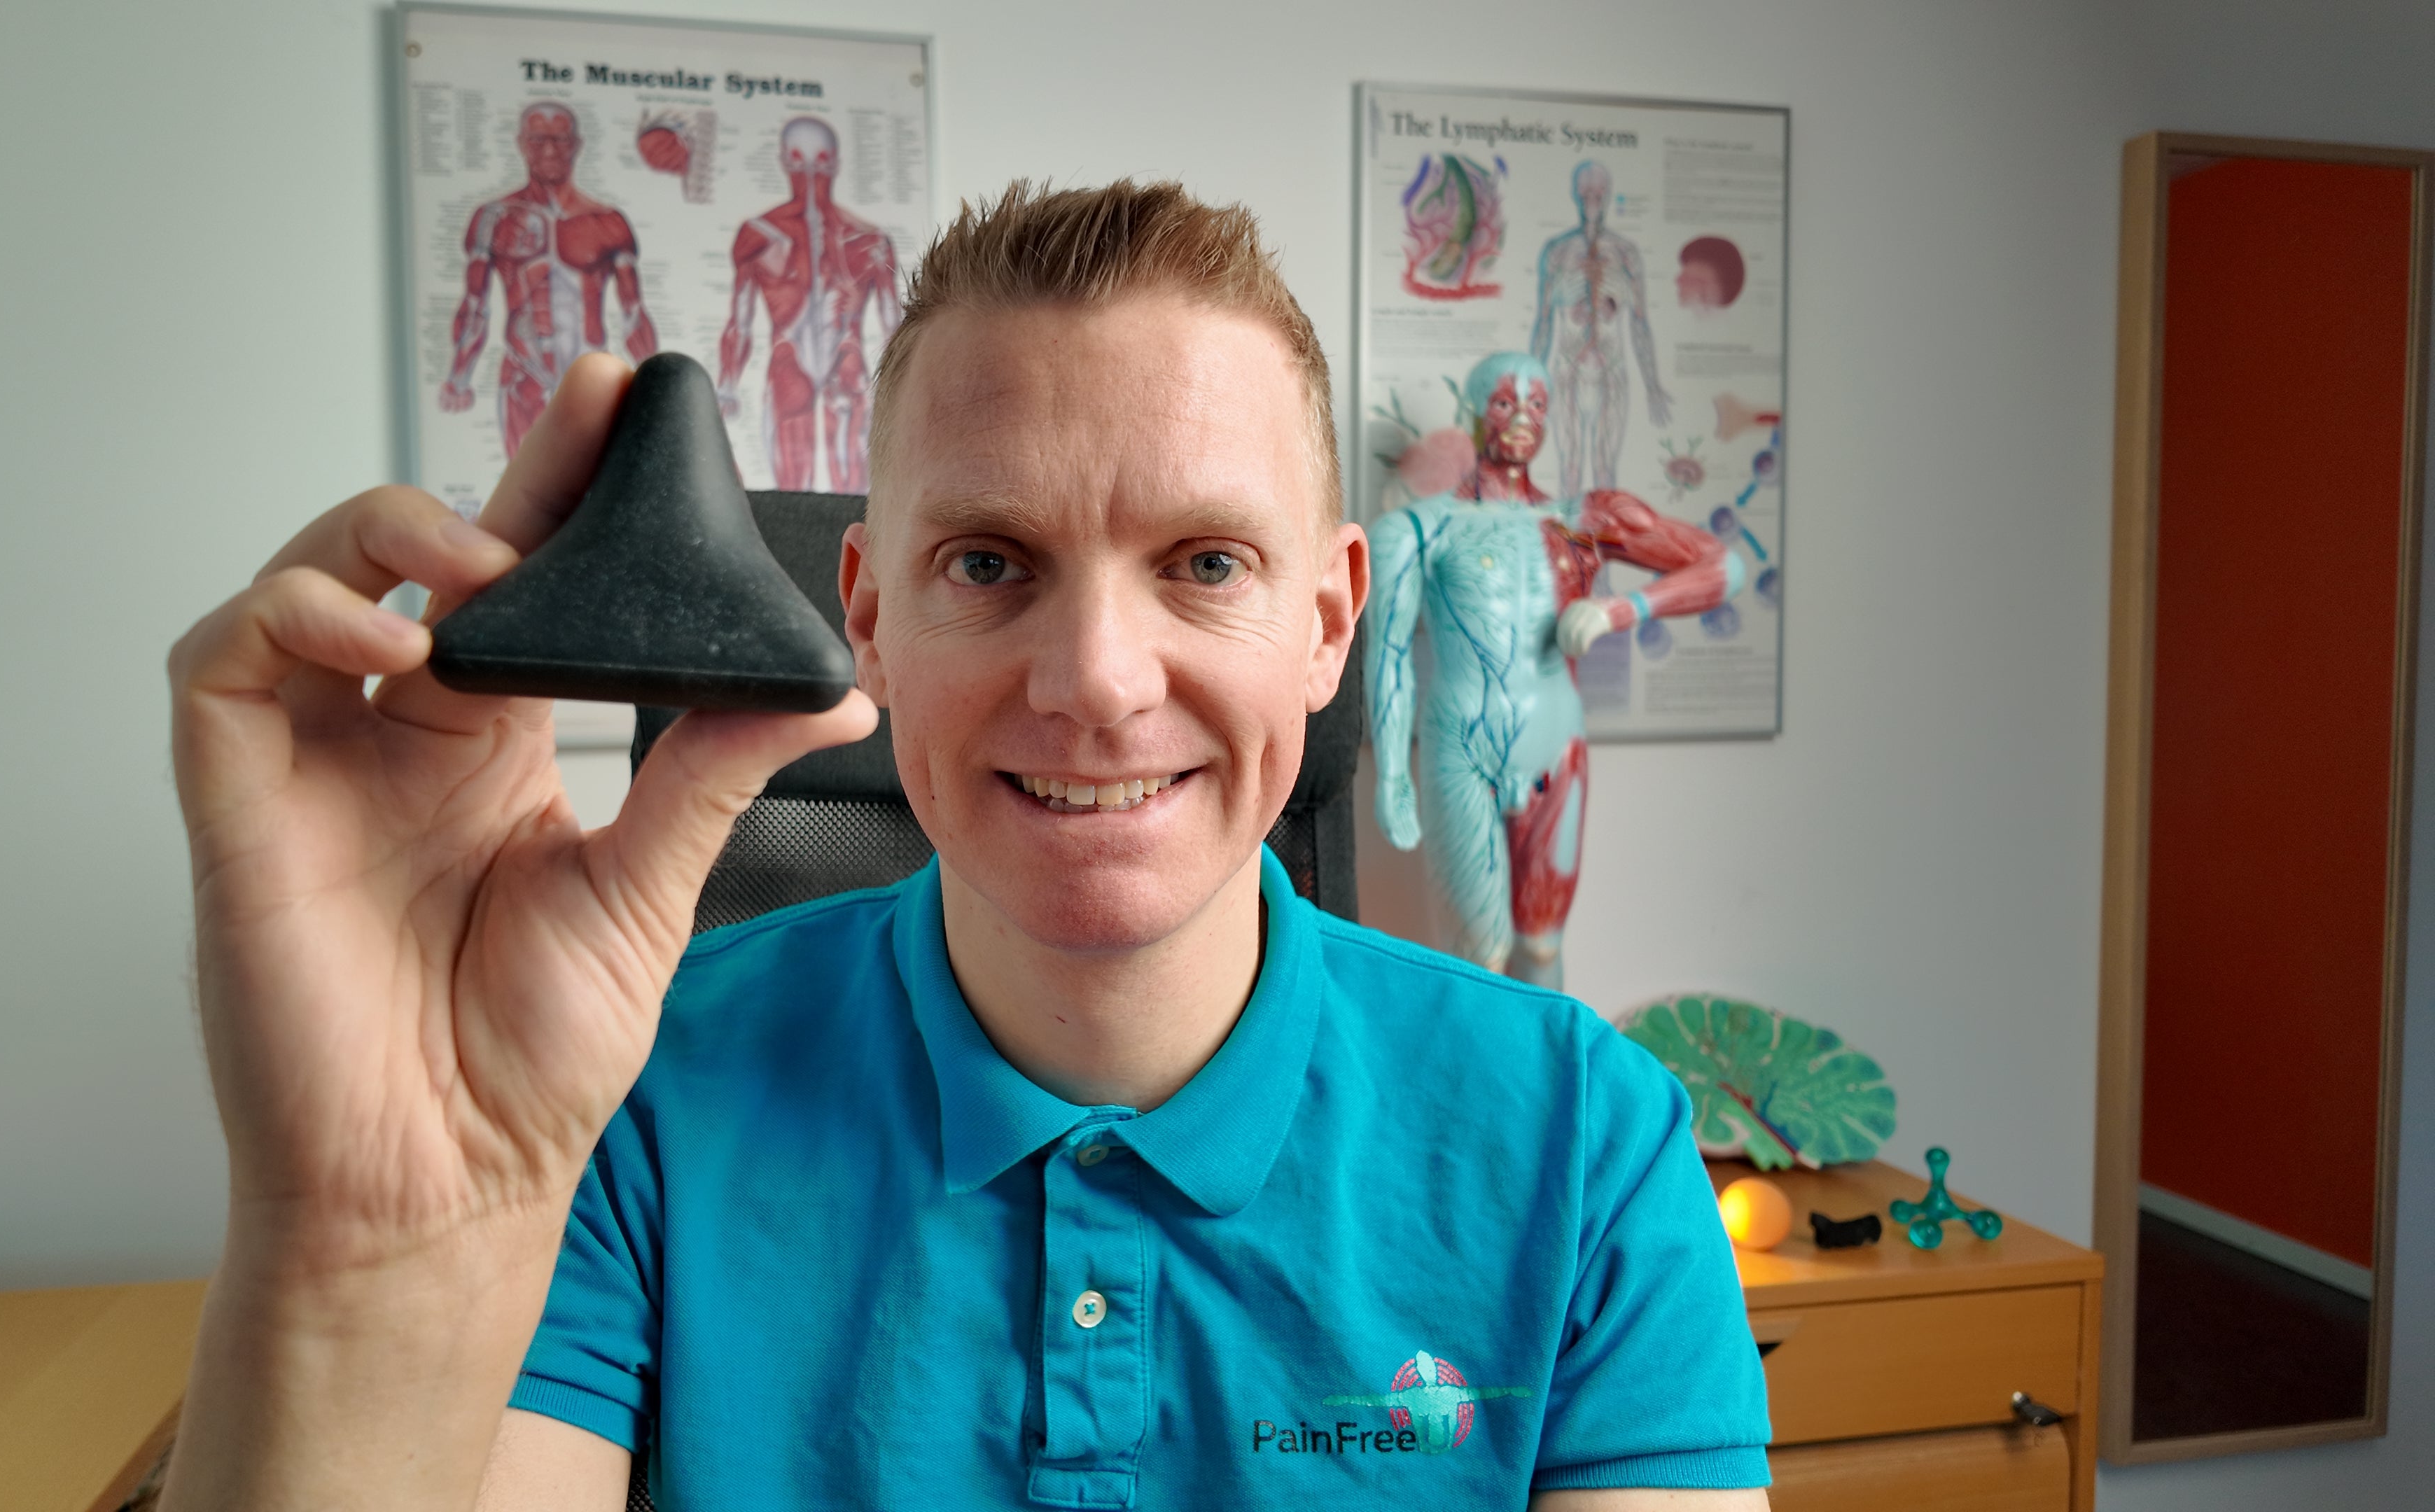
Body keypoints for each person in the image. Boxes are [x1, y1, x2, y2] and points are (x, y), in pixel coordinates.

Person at [160, 181, 1768, 1510]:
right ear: (866, 616)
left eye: (1205, 562)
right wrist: (357, 1238)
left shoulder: (1585, 1145)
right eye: (990, 562)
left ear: (1329, 622)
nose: (1095, 680)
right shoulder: (615, 1093)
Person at [1368, 351, 1745, 990]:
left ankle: (1546, 1060)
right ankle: (1478, 1060)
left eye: (1537, 404)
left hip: (1557, 745)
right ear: (1475, 412)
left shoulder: (1583, 520)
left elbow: (1723, 568)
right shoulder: (1418, 529)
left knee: (1541, 948)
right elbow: (1389, 652)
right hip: (1462, 747)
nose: (1522, 418)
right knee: (1478, 953)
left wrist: (1622, 610)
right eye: (1504, 403)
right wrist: (1391, 775)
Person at [441, 102, 660, 458]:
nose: (549, 151)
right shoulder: (493, 219)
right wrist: (458, 378)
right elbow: (474, 306)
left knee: (593, 489)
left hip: (592, 385)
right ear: (522, 144)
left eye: (559, 140)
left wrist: (659, 391)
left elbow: (634, 313)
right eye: (538, 140)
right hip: (523, 375)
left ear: (576, 145)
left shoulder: (608, 222)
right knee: (523, 490)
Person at [716, 117, 903, 493]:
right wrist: (727, 386)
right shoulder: (759, 236)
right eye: (801, 162)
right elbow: (740, 321)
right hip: (791, 358)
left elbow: (895, 327)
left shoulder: (870, 240)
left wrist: (904, 394)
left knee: (854, 492)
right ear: (785, 162)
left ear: (835, 164)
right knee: (790, 490)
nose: (811, 176)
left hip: (844, 358)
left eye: (820, 162)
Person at [1531, 161, 1670, 496]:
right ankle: (1567, 531)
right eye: (1585, 191)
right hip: (1568, 365)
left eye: (1598, 192)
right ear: (1575, 194)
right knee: (1570, 465)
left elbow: (1639, 321)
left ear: (1607, 195)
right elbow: (1544, 319)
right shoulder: (1557, 251)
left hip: (1611, 366)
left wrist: (1652, 384)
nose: (1591, 199)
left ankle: (1602, 532)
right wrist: (1530, 383)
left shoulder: (1625, 253)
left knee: (1605, 466)